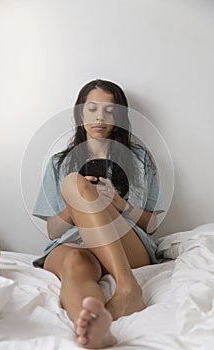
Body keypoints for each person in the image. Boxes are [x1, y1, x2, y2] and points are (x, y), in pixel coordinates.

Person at [33, 79, 164, 349]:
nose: (99, 117)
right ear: (80, 113)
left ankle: (127, 287)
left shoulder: (140, 159)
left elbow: (151, 225)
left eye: (109, 110)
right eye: (92, 109)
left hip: (126, 242)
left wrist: (117, 203)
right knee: (73, 263)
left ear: (119, 116)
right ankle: (94, 325)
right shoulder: (59, 162)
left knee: (72, 183)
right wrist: (76, 207)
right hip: (75, 240)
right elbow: (53, 232)